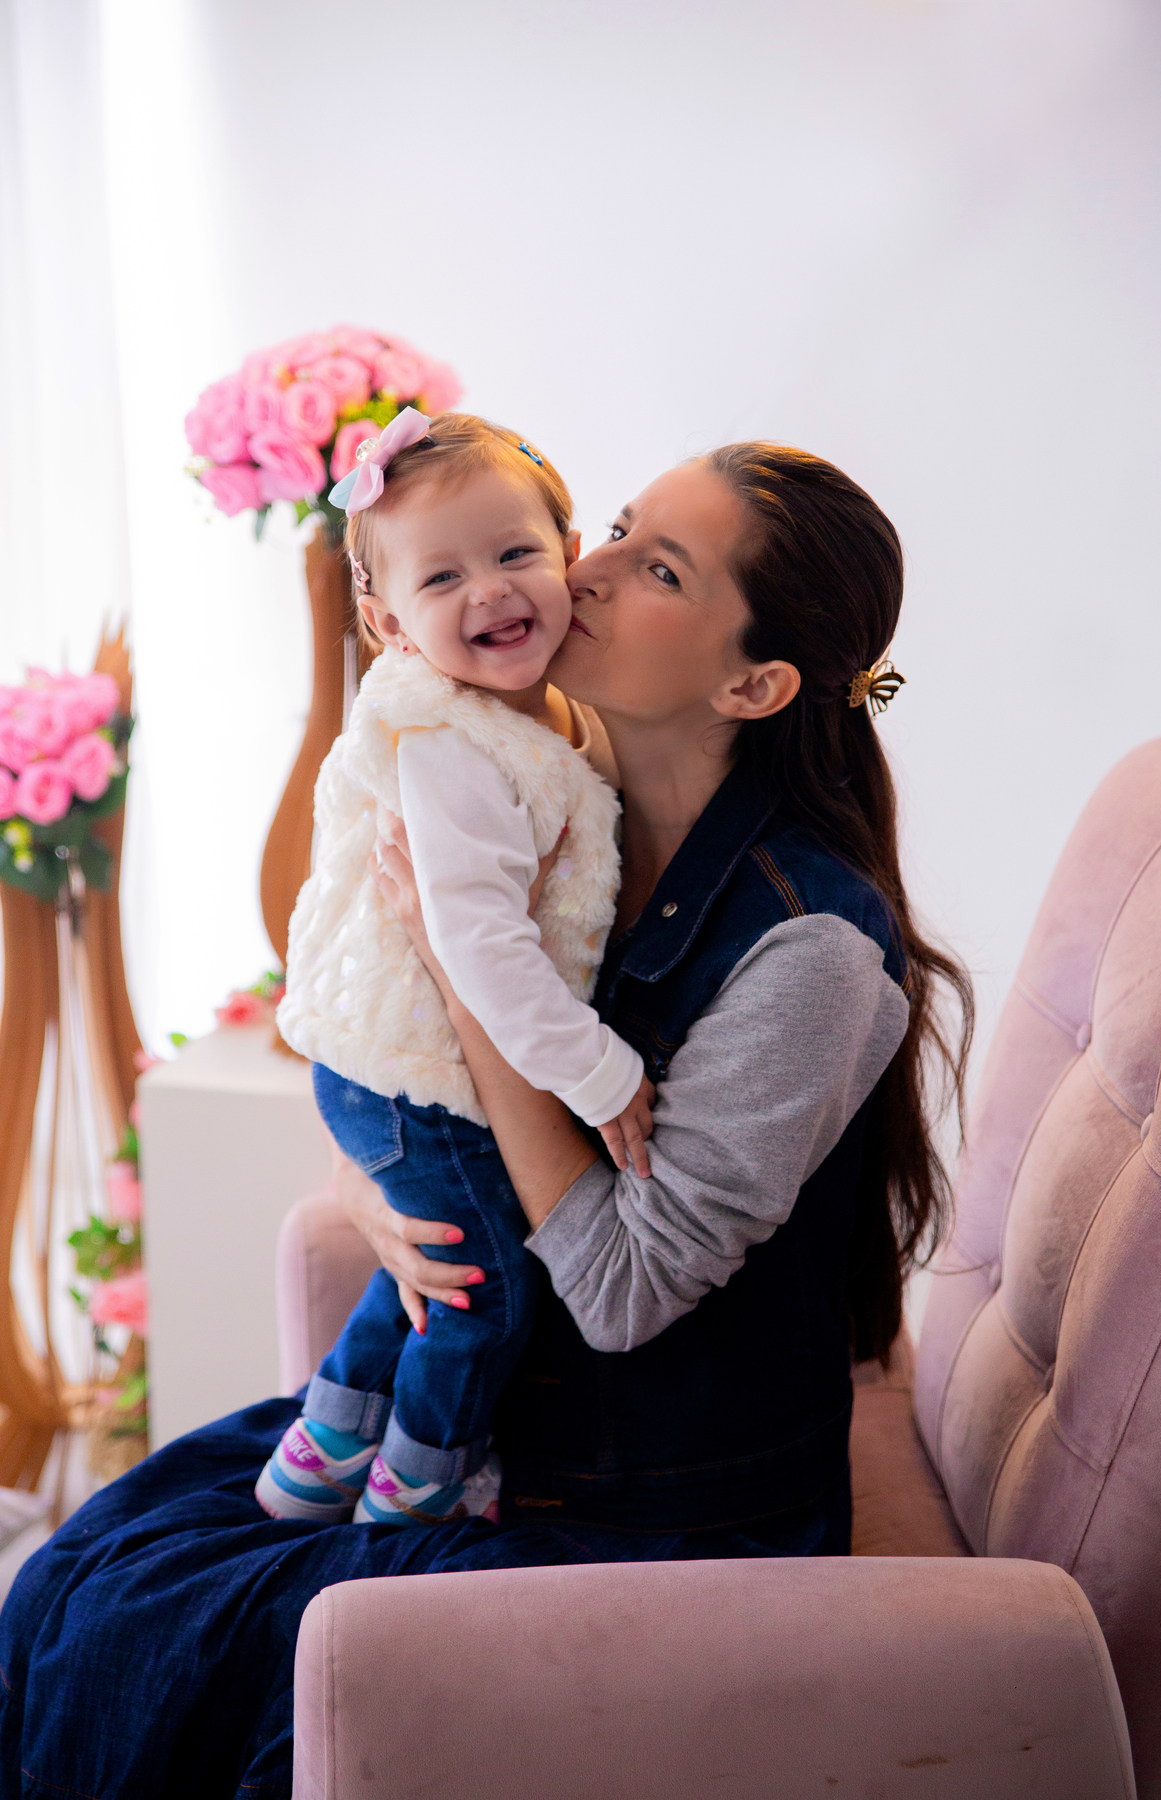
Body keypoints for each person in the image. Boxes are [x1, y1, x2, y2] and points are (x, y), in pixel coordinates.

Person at [0, 442, 972, 1799]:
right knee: (86, 1571)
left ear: (751, 684)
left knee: (153, 1647)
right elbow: (399, 1092)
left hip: (653, 1513)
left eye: (659, 568)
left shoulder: (811, 956)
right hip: (524, 1421)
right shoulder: (557, 800)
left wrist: (472, 987)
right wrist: (366, 1197)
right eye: (622, 526)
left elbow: (628, 1288)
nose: (590, 566)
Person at [262, 407, 653, 1529]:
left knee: (430, 1266)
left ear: (570, 558)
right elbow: (480, 945)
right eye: (443, 578)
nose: (490, 591)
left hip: (412, 1073)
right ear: (388, 624)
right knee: (484, 1292)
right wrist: (601, 1076)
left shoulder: (547, 719)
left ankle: (326, 1443)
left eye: (515, 553)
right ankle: (421, 1486)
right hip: (415, 1082)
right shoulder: (451, 752)